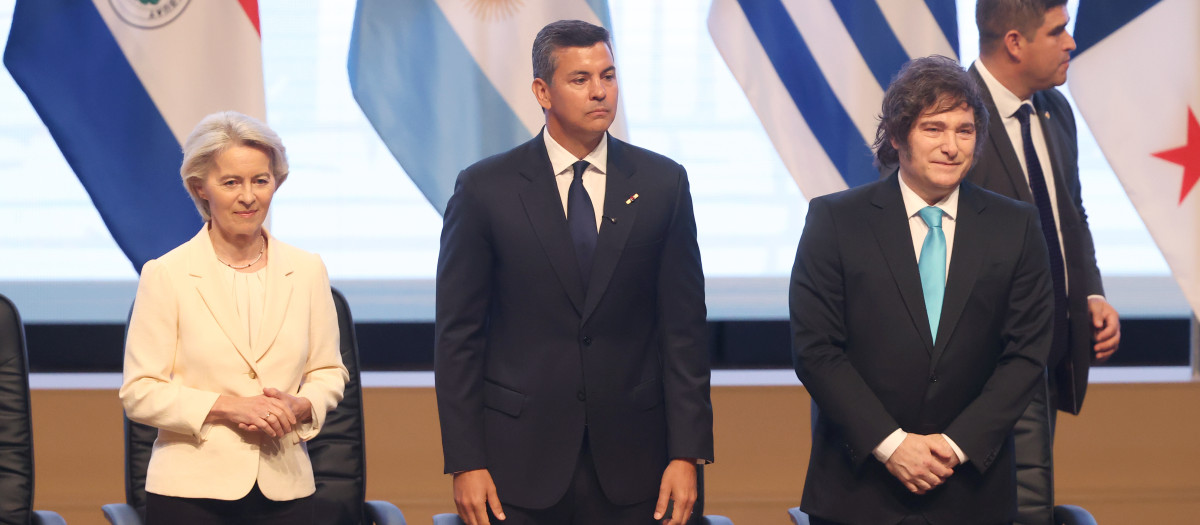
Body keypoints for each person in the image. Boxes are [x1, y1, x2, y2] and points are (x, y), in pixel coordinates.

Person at [434, 19, 713, 525]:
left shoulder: (662, 183)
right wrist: (465, 461)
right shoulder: (484, 189)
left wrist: (687, 453)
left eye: (608, 76)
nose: (600, 91)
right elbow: (458, 339)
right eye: (580, 79)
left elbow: (685, 332)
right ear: (543, 90)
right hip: (516, 464)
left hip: (640, 463)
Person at [790, 55, 1053, 525]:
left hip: (973, 492)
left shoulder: (1016, 226)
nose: (951, 146)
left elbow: (1027, 354)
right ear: (896, 135)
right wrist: (892, 446)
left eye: (965, 130)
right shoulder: (835, 221)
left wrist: (954, 448)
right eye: (934, 129)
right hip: (859, 493)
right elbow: (816, 350)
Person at [120, 111, 349, 525]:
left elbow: (329, 372)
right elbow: (139, 392)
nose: (248, 196)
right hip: (190, 493)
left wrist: (302, 404)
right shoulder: (166, 274)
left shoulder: (308, 269)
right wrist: (227, 408)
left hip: (287, 486)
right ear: (200, 188)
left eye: (260, 180)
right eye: (231, 182)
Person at [969, 1, 1120, 521]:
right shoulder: (953, 121)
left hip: (1050, 353)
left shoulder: (1055, 111)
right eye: (1058, 32)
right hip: (982, 368)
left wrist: (1090, 293)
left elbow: (1070, 213)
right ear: (1014, 42)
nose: (1071, 43)